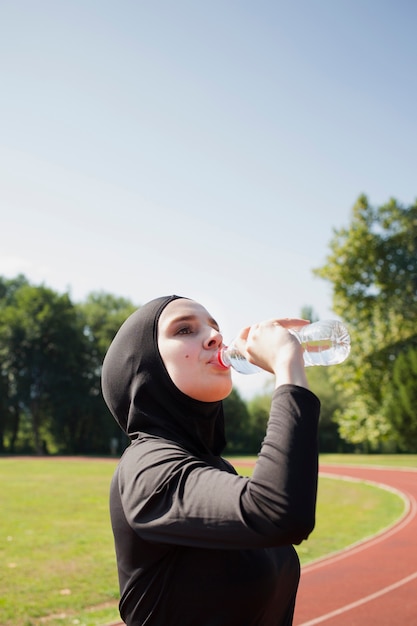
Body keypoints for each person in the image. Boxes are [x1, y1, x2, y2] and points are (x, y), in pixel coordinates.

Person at [101, 295, 320, 626]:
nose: (215, 336)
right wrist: (288, 367)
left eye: (214, 327)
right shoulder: (145, 467)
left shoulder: (213, 468)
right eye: (185, 329)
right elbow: (278, 510)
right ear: (145, 366)